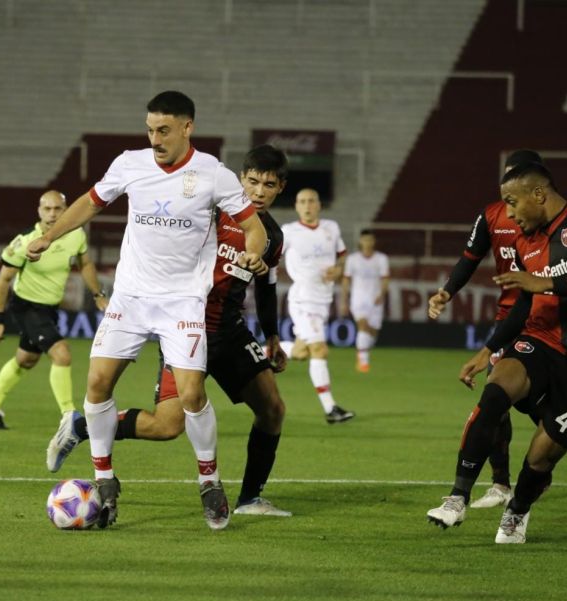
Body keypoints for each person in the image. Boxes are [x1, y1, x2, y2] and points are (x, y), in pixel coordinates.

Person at [27, 91, 267, 531]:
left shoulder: (213, 174)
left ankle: (210, 482)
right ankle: (104, 481)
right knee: (97, 383)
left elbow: (254, 228)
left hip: (183, 302)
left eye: (163, 130)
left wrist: (254, 252)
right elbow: (89, 201)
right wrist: (50, 236)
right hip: (131, 296)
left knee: (192, 395)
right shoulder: (129, 164)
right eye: (150, 129)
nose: (154, 138)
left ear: (187, 128)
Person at [426, 161, 567, 543]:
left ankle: (517, 510)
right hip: (540, 340)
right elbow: (523, 304)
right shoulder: (526, 242)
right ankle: (457, 497)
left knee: (541, 457)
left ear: (538, 194)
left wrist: (547, 282)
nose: (510, 213)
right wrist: (488, 350)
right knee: (496, 391)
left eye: (513, 202)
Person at [0, 190, 108, 430]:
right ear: (39, 211)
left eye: (58, 209)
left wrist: (98, 295)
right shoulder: (25, 241)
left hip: (49, 309)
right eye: (47, 209)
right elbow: (3, 280)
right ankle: (69, 415)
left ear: (66, 210)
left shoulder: (75, 234)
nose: (52, 214)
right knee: (62, 354)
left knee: (26, 359)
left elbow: (85, 263)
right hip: (26, 306)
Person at [280, 189, 353, 423]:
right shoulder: (289, 232)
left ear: (319, 205)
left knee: (301, 352)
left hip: (323, 299)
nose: (307, 205)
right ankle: (331, 409)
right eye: (302, 201)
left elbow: (342, 255)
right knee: (320, 350)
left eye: (312, 201)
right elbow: (270, 256)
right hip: (303, 299)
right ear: (296, 206)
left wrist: (340, 269)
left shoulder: (331, 228)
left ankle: (258, 352)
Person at [339, 229, 390, 372]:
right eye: (365, 239)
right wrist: (343, 301)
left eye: (370, 240)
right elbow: (346, 280)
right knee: (363, 325)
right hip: (358, 299)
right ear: (360, 241)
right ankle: (363, 362)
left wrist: (382, 294)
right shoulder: (353, 259)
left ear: (374, 242)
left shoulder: (381, 259)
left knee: (372, 333)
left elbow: (385, 279)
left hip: (375, 301)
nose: (367, 242)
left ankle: (363, 351)